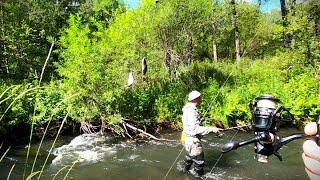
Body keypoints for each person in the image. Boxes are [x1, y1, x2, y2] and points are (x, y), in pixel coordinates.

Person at [181, 90, 222, 178]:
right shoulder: (191, 112)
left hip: (188, 140)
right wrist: (211, 129)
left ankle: (183, 174)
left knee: (189, 159)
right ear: (195, 99)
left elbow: (194, 126)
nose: (201, 99)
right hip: (193, 141)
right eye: (199, 98)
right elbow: (195, 129)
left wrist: (209, 128)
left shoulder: (187, 109)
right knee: (199, 163)